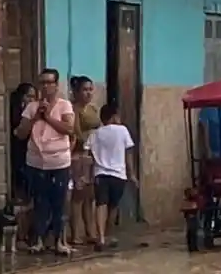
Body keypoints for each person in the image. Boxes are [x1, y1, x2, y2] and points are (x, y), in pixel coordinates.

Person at [15, 67, 76, 255]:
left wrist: (48, 117)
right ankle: (39, 240)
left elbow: (69, 129)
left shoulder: (64, 106)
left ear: (56, 85)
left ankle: (59, 241)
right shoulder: (31, 107)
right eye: (42, 82)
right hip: (36, 162)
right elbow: (21, 133)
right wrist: (36, 117)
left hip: (59, 162)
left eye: (50, 82)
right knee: (39, 202)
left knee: (58, 203)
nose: (46, 86)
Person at [89, 103, 136, 250]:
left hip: (100, 174)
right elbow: (128, 154)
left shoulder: (95, 134)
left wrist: (86, 174)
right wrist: (132, 174)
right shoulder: (123, 130)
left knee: (100, 204)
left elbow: (88, 154)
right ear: (114, 116)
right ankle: (108, 234)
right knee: (113, 205)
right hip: (118, 175)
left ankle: (101, 237)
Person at [68, 76, 101, 248]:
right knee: (78, 197)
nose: (88, 93)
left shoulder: (93, 109)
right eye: (84, 90)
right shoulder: (74, 110)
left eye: (90, 89)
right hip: (79, 156)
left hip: (93, 157)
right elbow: (76, 134)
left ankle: (90, 231)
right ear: (77, 92)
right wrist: (87, 142)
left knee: (90, 196)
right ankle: (75, 233)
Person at [8, 82, 36, 243]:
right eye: (28, 96)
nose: (31, 99)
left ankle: (28, 231)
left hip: (33, 157)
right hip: (19, 156)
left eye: (33, 96)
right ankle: (21, 231)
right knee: (22, 196)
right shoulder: (18, 114)